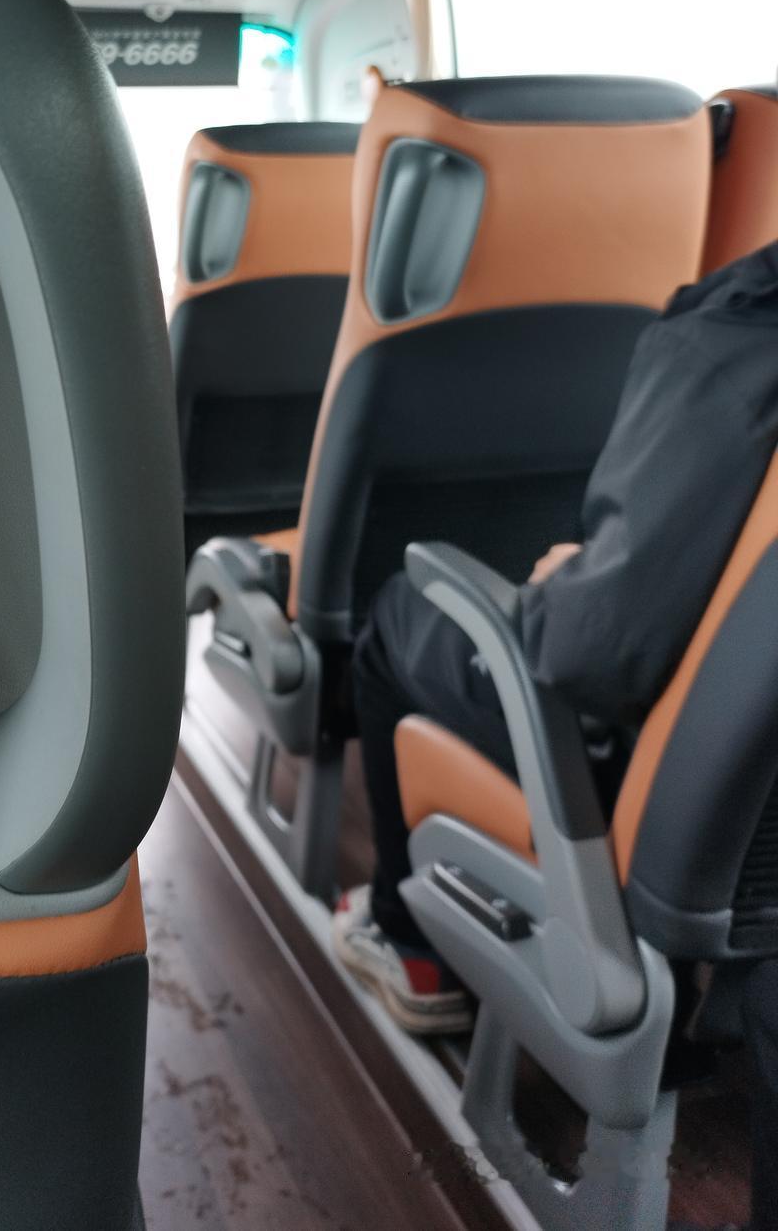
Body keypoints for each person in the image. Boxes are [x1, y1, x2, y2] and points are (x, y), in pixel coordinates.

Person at [331, 238, 778, 1224]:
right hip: (762, 836)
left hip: (669, 803)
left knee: (405, 609)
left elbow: (588, 656)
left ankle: (409, 947)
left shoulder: (735, 340)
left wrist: (556, 586)